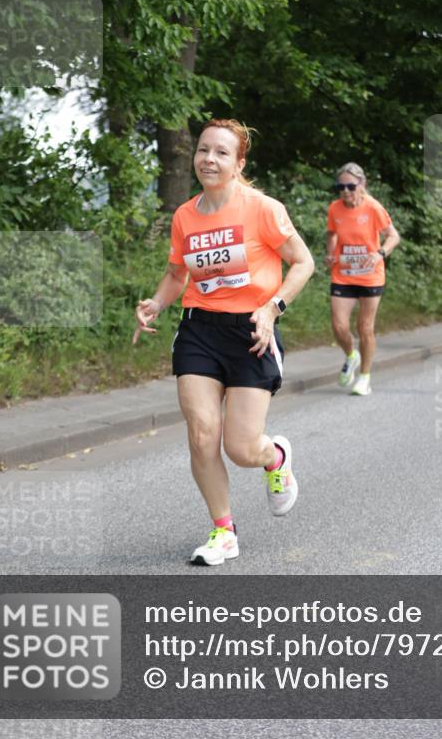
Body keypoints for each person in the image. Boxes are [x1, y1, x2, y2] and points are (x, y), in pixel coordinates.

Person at [133, 119, 315, 566]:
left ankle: (274, 458)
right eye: (203, 150)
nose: (209, 159)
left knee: (240, 447)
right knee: (201, 434)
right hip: (200, 331)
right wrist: (156, 302)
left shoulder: (262, 209)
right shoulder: (185, 216)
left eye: (221, 153)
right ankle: (223, 530)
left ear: (239, 163)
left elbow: (303, 262)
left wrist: (273, 308)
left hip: (253, 331)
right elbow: (179, 274)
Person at [326, 162, 400, 396]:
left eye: (350, 186)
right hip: (343, 274)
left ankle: (364, 378)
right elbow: (331, 233)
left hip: (370, 276)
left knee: (365, 327)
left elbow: (393, 236)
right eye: (341, 186)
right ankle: (351, 354)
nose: (346, 191)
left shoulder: (373, 208)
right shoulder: (335, 208)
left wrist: (379, 254)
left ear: (362, 184)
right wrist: (330, 252)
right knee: (339, 326)